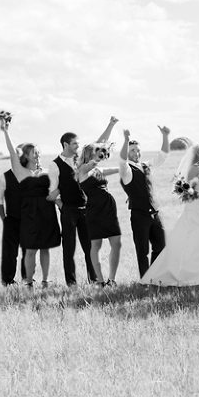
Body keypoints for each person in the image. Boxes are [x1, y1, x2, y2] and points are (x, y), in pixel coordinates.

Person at [140, 143, 199, 286]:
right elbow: (186, 190)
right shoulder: (194, 169)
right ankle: (189, 273)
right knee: (194, 240)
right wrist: (190, 194)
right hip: (196, 208)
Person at [48, 117, 118, 286]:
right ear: (65, 145)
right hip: (69, 211)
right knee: (69, 249)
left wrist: (110, 125)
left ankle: (94, 280)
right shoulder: (55, 165)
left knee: (90, 246)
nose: (78, 147)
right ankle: (71, 283)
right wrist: (63, 207)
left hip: (87, 210)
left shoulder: (81, 160)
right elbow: (53, 190)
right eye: (75, 144)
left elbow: (99, 143)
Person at [1, 125, 61, 287]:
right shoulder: (20, 172)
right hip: (29, 214)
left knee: (45, 248)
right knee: (30, 249)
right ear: (26, 156)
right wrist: (5, 131)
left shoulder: (48, 172)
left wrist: (58, 198)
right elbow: (13, 152)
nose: (38, 155)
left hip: (47, 213)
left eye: (39, 153)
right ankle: (28, 282)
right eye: (35, 152)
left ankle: (45, 279)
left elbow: (60, 186)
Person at [119, 126, 170, 277]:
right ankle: (145, 280)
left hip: (155, 214)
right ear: (128, 153)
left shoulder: (146, 165)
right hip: (139, 215)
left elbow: (163, 155)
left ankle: (154, 275)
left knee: (162, 246)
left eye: (138, 150)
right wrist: (126, 140)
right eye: (133, 150)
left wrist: (165, 136)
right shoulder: (127, 171)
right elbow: (122, 161)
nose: (136, 153)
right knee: (143, 251)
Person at [79, 142, 122, 286]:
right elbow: (91, 164)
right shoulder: (82, 170)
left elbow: (115, 169)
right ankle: (99, 280)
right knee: (96, 245)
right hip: (94, 211)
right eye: (96, 151)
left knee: (116, 243)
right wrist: (102, 151)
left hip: (109, 209)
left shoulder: (98, 170)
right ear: (89, 154)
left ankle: (112, 279)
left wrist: (127, 166)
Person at [0, 157, 27, 285]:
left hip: (28, 220)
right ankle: (8, 280)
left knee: (28, 251)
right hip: (11, 219)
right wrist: (4, 218)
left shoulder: (30, 175)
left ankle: (27, 278)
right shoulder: (4, 177)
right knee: (10, 252)